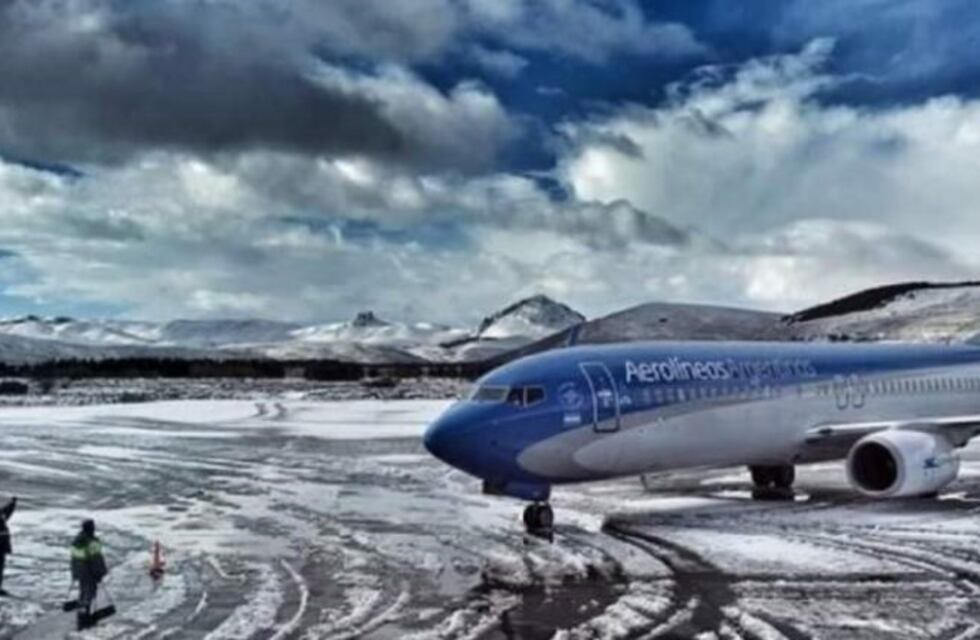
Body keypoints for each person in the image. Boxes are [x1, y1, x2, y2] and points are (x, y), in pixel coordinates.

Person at [70, 519, 108, 630]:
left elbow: (74, 560)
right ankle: (85, 618)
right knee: (90, 593)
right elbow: (96, 560)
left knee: (83, 593)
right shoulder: (92, 542)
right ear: (91, 528)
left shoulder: (77, 541)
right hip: (90, 573)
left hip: (80, 572)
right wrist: (100, 573)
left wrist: (75, 574)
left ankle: (81, 616)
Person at [0, 496, 15, 597]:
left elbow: (7, 511)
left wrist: (13, 503)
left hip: (1, 548)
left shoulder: (1, 516)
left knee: (0, 568)